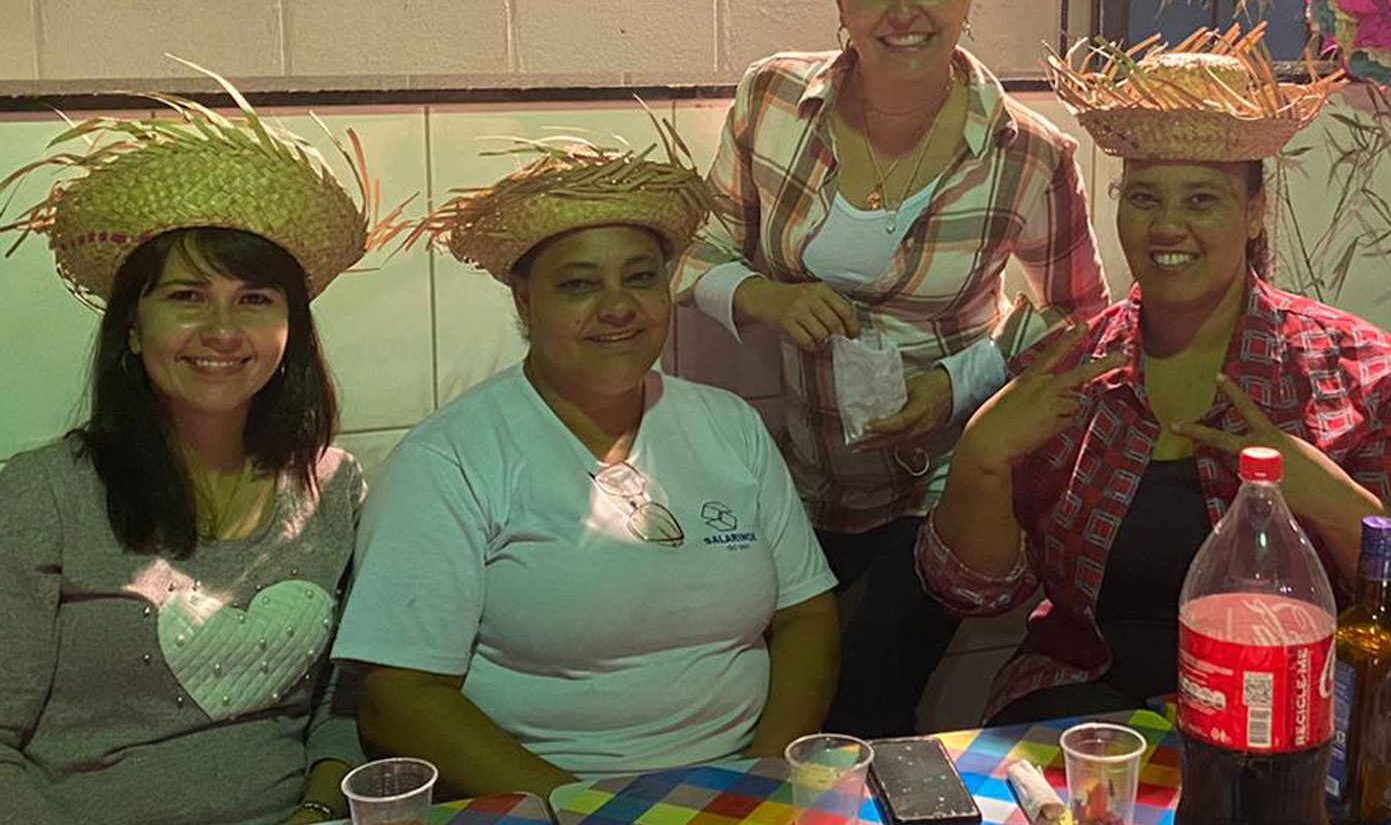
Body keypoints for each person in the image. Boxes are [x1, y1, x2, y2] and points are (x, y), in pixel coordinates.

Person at [916, 28, 1391, 723]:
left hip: (1286, 715)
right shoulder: (1069, 371)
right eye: (1144, 197)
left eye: (1201, 200)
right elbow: (974, 594)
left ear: (1254, 212)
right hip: (1084, 711)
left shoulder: (1369, 373)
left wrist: (1326, 496)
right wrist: (980, 458)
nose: (1167, 226)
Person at [679, 0, 1108, 735]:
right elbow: (696, 250)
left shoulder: (1028, 153)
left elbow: (1082, 323)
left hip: (946, 482)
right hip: (806, 479)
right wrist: (764, 296)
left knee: (865, 694)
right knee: (789, 699)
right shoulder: (772, 100)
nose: (902, 9)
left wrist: (958, 380)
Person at [333, 134, 839, 796]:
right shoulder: (450, 460)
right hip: (548, 802)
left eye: (641, 277)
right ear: (524, 300)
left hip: (738, 786)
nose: (617, 307)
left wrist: (761, 782)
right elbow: (397, 698)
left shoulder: (729, 426)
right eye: (578, 285)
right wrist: (587, 810)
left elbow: (806, 615)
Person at [0, 69, 390, 825]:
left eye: (254, 300)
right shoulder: (43, 494)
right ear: (132, 326)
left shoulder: (336, 488)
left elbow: (341, 707)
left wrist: (318, 808)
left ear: (291, 330)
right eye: (187, 297)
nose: (222, 331)